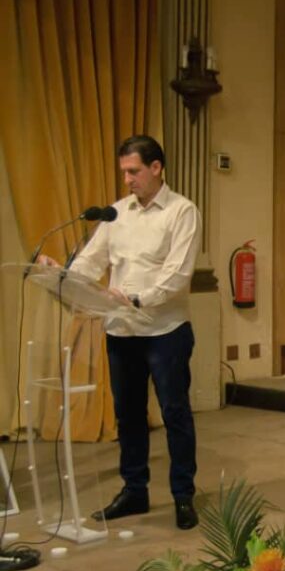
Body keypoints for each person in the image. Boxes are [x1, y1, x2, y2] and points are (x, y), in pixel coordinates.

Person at [42, 135, 202, 530]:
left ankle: (183, 495)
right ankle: (135, 491)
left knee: (174, 413)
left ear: (156, 168)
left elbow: (178, 275)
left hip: (165, 330)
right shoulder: (115, 214)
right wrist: (61, 275)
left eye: (133, 171)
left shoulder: (182, 212)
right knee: (128, 416)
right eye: (124, 173)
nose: (127, 179)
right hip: (121, 331)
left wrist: (134, 298)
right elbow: (91, 262)